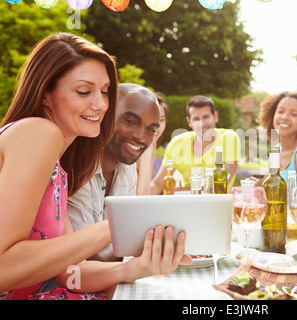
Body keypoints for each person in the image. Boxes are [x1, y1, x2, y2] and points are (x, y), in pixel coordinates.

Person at [0, 33, 191, 300]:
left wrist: (134, 268)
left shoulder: (58, 165)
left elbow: (70, 273)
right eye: (83, 91)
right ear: (45, 94)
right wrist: (126, 218)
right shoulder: (39, 133)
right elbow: (3, 268)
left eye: (105, 91)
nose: (101, 105)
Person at [67, 83, 161, 262]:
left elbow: (124, 239)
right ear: (106, 115)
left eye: (151, 129)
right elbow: (86, 255)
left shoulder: (128, 168)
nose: (141, 137)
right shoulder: (77, 166)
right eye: (131, 121)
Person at [149, 95, 240, 194]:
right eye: (196, 119)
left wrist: (177, 191)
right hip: (186, 205)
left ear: (215, 117)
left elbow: (218, 185)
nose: (201, 124)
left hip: (216, 205)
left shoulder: (229, 138)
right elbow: (158, 184)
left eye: (206, 117)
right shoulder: (177, 143)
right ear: (189, 122)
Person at [136, 94, 169, 195]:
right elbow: (141, 196)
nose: (157, 126)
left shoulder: (151, 145)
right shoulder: (139, 148)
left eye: (161, 120)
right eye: (151, 119)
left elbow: (147, 190)